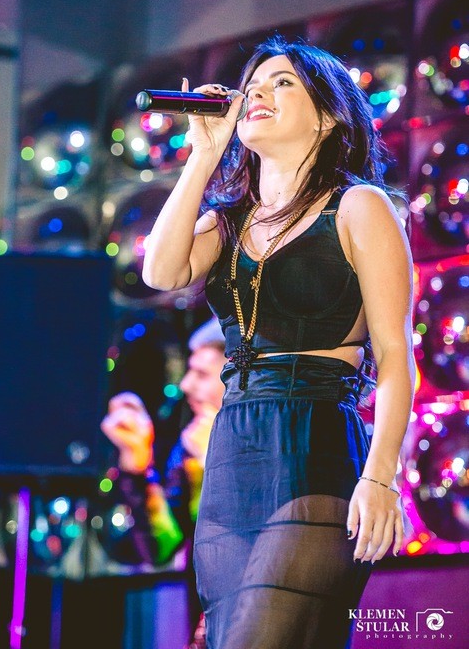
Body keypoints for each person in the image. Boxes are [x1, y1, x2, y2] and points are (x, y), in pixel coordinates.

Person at [141, 35, 415, 649]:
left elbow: (397, 357)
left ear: (328, 116)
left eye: (282, 82)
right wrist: (203, 155)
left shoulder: (358, 207)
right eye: (253, 85)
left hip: (316, 443)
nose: (259, 92)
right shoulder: (228, 221)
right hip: (234, 456)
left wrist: (381, 476)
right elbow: (160, 271)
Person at [100, 316, 226, 649]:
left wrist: (218, 465)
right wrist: (138, 467)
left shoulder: (274, 446)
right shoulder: (189, 451)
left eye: (201, 374)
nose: (185, 385)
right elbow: (161, 547)